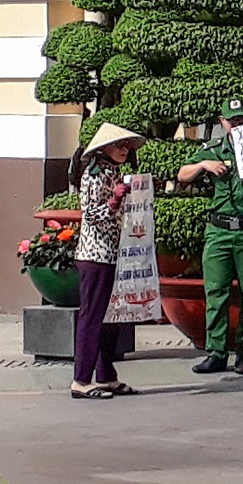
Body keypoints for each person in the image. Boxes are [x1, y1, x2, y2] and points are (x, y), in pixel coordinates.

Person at [178, 99, 243, 375]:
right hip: (219, 230)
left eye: (242, 120)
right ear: (222, 122)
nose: (237, 125)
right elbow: (182, 174)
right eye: (232, 121)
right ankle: (217, 352)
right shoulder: (213, 150)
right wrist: (204, 165)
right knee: (216, 292)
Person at [70, 123, 146, 399]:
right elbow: (90, 215)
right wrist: (114, 200)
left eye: (126, 145)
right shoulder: (94, 175)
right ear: (104, 149)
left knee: (111, 317)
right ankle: (81, 379)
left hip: (116, 252)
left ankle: (105, 375)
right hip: (95, 254)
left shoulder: (115, 172)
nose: (124, 149)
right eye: (118, 145)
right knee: (91, 317)